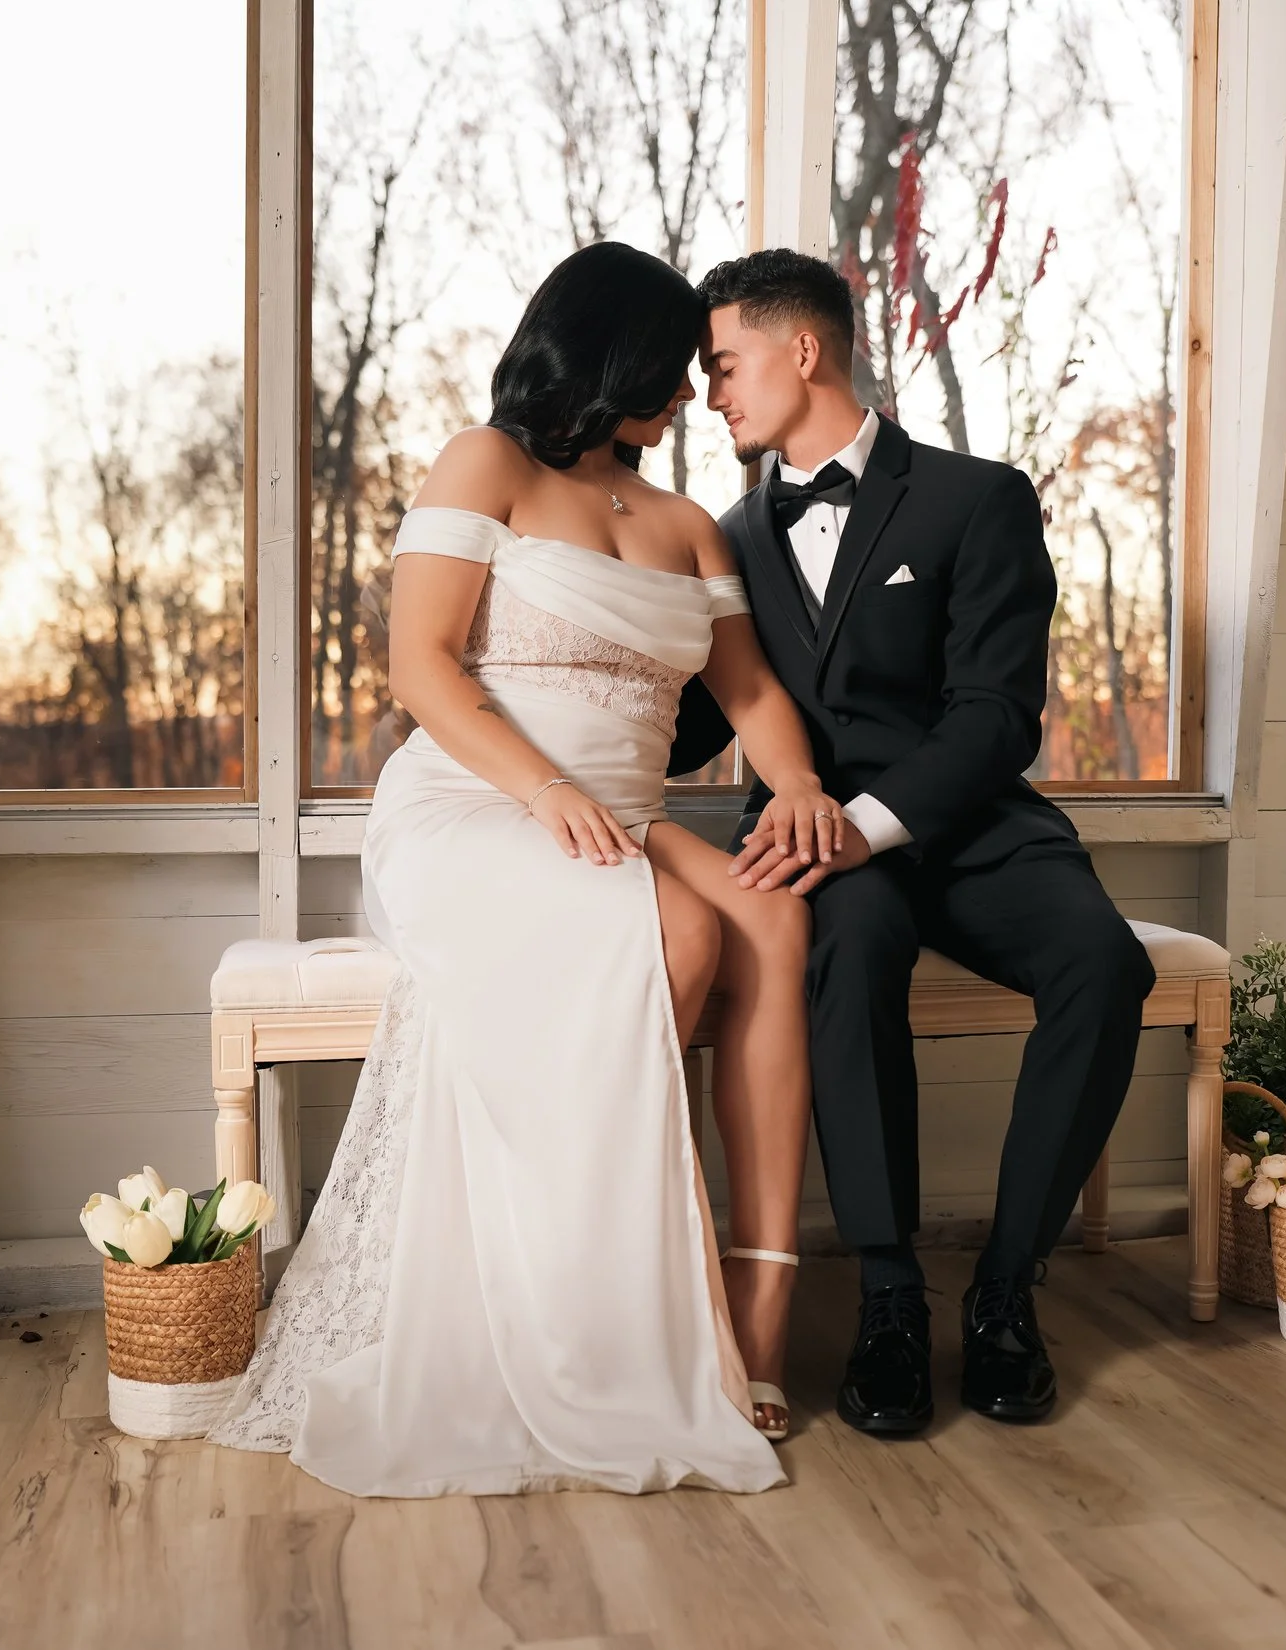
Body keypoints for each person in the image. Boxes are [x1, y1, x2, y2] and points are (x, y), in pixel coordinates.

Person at [209, 242, 837, 1494]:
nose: (694, 392)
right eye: (678, 367)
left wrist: (806, 786)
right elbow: (423, 666)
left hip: (623, 817)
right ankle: (596, 1276)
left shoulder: (684, 526)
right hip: (477, 801)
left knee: (772, 926)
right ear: (619, 357)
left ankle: (754, 1309)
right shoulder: (483, 464)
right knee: (679, 939)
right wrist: (542, 789)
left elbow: (750, 686)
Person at [667, 248, 1155, 1435]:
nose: (712, 392)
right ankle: (889, 1295)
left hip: (973, 830)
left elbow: (997, 716)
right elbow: (690, 725)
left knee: (1107, 966)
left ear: (802, 349)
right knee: (847, 957)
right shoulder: (721, 536)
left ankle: (1003, 1296)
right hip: (806, 846)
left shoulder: (976, 498)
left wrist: (868, 828)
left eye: (723, 364)